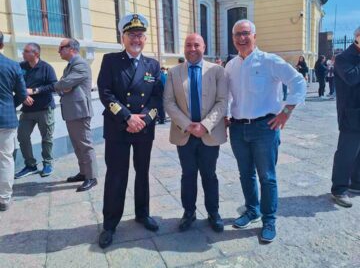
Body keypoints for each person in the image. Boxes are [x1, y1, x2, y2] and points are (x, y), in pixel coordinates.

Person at [225, 19, 306, 243]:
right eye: (237, 35)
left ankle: (269, 219)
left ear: (254, 36)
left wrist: (286, 112)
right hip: (238, 129)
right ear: (233, 39)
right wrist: (224, 115)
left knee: (267, 177)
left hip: (264, 128)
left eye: (245, 34)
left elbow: (298, 81)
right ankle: (252, 210)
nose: (242, 38)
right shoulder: (231, 66)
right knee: (245, 174)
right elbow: (228, 95)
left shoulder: (269, 61)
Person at [97, 14, 163, 249]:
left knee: (142, 172)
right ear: (123, 38)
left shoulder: (152, 65)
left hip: (143, 128)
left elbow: (157, 96)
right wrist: (127, 117)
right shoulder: (111, 60)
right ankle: (110, 224)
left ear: (145, 39)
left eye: (140, 35)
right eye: (131, 35)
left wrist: (145, 119)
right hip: (118, 128)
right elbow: (105, 93)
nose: (136, 39)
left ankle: (142, 214)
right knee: (116, 175)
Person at [164, 33, 227, 233]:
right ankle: (188, 213)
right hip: (184, 134)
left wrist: (205, 125)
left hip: (209, 134)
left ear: (204, 46)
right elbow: (169, 102)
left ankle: (213, 213)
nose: (192, 49)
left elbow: (222, 101)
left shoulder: (217, 70)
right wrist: (189, 125)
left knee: (210, 175)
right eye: (188, 45)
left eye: (196, 45)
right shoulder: (174, 72)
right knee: (188, 175)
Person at [54, 39, 98, 192]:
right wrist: (63, 86)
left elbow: (63, 84)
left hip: (79, 111)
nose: (59, 51)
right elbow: (63, 85)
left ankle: (91, 177)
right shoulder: (70, 66)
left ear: (71, 48)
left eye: (61, 48)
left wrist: (64, 85)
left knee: (85, 145)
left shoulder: (80, 64)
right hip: (72, 111)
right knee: (77, 145)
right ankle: (84, 172)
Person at [15, 43, 57, 179]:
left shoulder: (46, 68)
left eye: (26, 51)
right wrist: (24, 95)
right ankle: (30, 165)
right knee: (22, 136)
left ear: (36, 54)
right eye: (24, 51)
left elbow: (53, 86)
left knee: (47, 138)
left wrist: (34, 91)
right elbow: (15, 84)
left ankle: (48, 163)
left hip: (45, 108)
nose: (23, 53)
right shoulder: (20, 67)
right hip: (27, 110)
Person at [331, 27, 360, 208]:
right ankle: (339, 189)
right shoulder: (343, 59)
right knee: (346, 152)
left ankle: (356, 183)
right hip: (351, 114)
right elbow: (352, 78)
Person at [0, 31, 28, 211]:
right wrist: (10, 105)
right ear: (2, 44)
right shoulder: (12, 66)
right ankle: (4, 198)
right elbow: (23, 94)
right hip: (6, 117)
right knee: (5, 158)